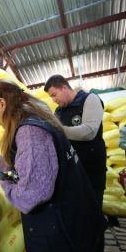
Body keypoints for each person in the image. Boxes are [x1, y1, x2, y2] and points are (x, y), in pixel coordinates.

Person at [0, 79, 107, 252]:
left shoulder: (29, 132)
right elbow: (28, 157)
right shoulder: (36, 120)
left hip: (62, 233)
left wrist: (5, 184)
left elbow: (30, 196)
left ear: (2, 102)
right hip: (73, 221)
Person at [44, 75, 106, 208]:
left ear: (65, 88)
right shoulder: (59, 111)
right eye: (51, 97)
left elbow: (88, 132)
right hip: (71, 169)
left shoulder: (90, 99)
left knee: (92, 209)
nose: (54, 100)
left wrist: (58, 130)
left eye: (54, 94)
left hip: (91, 168)